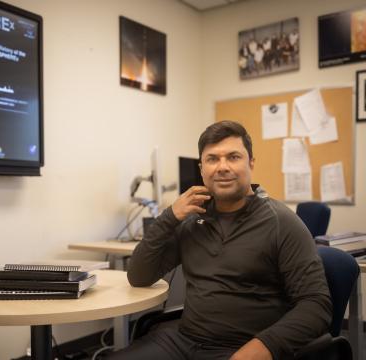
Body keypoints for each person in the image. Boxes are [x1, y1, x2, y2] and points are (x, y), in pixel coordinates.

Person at [107, 120, 332, 360]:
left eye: (233, 157)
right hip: (182, 340)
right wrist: (170, 216)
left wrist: (262, 347)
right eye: (212, 159)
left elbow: (316, 305)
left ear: (251, 163)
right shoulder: (191, 221)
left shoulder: (282, 222)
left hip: (242, 347)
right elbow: (139, 277)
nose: (222, 167)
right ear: (202, 168)